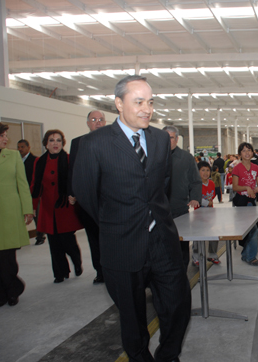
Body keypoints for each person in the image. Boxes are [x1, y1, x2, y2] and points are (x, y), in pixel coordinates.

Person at [73, 75, 191, 362]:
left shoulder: (161, 138)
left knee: (178, 305)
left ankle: (168, 355)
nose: (146, 109)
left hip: (162, 240)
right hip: (122, 244)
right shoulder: (94, 143)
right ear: (118, 103)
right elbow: (86, 194)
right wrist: (117, 222)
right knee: (132, 316)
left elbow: (160, 184)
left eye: (150, 102)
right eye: (138, 102)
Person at [0, 122, 33, 307]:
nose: (6, 139)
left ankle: (12, 290)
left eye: (6, 135)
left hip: (9, 210)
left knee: (7, 257)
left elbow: (22, 184)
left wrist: (27, 208)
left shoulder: (14, 155)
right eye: (1, 136)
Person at [31, 129, 84, 284]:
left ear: (63, 143)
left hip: (65, 207)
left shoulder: (68, 159)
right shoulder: (39, 162)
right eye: (52, 140)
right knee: (54, 243)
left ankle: (76, 259)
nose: (55, 143)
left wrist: (74, 195)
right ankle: (60, 273)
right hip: (48, 209)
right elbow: (35, 185)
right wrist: (32, 207)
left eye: (59, 140)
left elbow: (76, 180)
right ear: (46, 144)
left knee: (68, 241)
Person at [68, 110, 106, 284]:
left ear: (105, 122)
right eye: (93, 120)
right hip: (88, 200)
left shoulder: (114, 140)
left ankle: (114, 269)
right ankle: (100, 271)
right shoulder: (78, 143)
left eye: (100, 120)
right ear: (88, 123)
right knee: (93, 236)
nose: (97, 122)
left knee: (111, 237)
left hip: (110, 199)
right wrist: (73, 191)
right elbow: (73, 170)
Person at [163, 125, 202, 271]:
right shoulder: (153, 156)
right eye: (165, 137)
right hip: (159, 209)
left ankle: (182, 271)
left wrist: (195, 197)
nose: (168, 141)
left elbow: (196, 180)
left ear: (177, 139)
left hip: (179, 208)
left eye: (171, 137)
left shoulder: (186, 158)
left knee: (181, 242)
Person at [232, 142, 258, 266]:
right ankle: (249, 255)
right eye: (244, 150)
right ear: (240, 154)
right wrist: (246, 188)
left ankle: (248, 255)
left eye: (249, 150)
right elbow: (235, 187)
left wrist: (257, 189)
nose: (247, 153)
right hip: (241, 201)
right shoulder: (237, 168)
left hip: (252, 202)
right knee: (249, 229)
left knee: (252, 229)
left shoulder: (256, 167)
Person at [18, 139, 46, 245]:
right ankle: (20, 238)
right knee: (20, 215)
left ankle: (40, 236)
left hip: (33, 191)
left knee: (36, 215)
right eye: (18, 147)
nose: (20, 149)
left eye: (22, 147)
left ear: (28, 148)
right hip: (20, 192)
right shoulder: (16, 160)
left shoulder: (35, 160)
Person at [192, 161, 220, 266]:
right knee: (197, 237)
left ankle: (212, 254)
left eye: (208, 170)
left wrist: (209, 203)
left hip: (210, 214)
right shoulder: (196, 184)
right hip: (198, 215)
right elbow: (195, 198)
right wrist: (207, 202)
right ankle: (196, 256)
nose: (205, 173)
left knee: (213, 234)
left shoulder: (212, 183)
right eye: (202, 170)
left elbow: (212, 197)